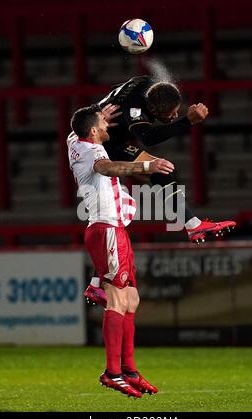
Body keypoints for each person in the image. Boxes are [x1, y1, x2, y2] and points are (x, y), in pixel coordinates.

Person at [81, 75, 235, 307]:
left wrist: (99, 109)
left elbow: (118, 89)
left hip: (104, 136)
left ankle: (96, 282)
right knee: (112, 215)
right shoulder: (134, 112)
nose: (174, 115)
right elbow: (150, 137)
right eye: (169, 114)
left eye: (177, 111)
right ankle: (192, 226)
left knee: (115, 217)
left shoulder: (148, 83)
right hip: (102, 145)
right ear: (152, 109)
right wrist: (187, 121)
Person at [68, 104, 174, 397]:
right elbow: (106, 167)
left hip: (115, 230)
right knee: (116, 299)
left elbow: (75, 129)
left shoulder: (75, 141)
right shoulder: (94, 153)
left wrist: (100, 110)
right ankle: (112, 373)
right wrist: (146, 166)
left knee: (131, 299)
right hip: (106, 229)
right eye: (103, 123)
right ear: (92, 131)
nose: (107, 126)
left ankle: (129, 370)